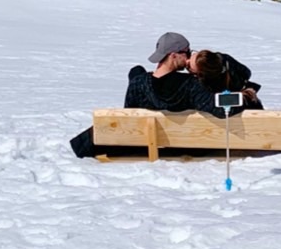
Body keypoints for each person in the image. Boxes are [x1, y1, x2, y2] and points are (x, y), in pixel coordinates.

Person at [68, 31, 221, 158]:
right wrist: (244, 95)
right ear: (174, 55)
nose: (188, 57)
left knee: (136, 72)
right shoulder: (191, 85)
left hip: (141, 144)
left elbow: (129, 115)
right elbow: (218, 108)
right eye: (187, 52)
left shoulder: (139, 84)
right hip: (183, 145)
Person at [190, 48, 263, 108]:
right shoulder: (223, 60)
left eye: (189, 67)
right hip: (244, 97)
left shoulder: (203, 84)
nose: (187, 60)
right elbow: (246, 72)